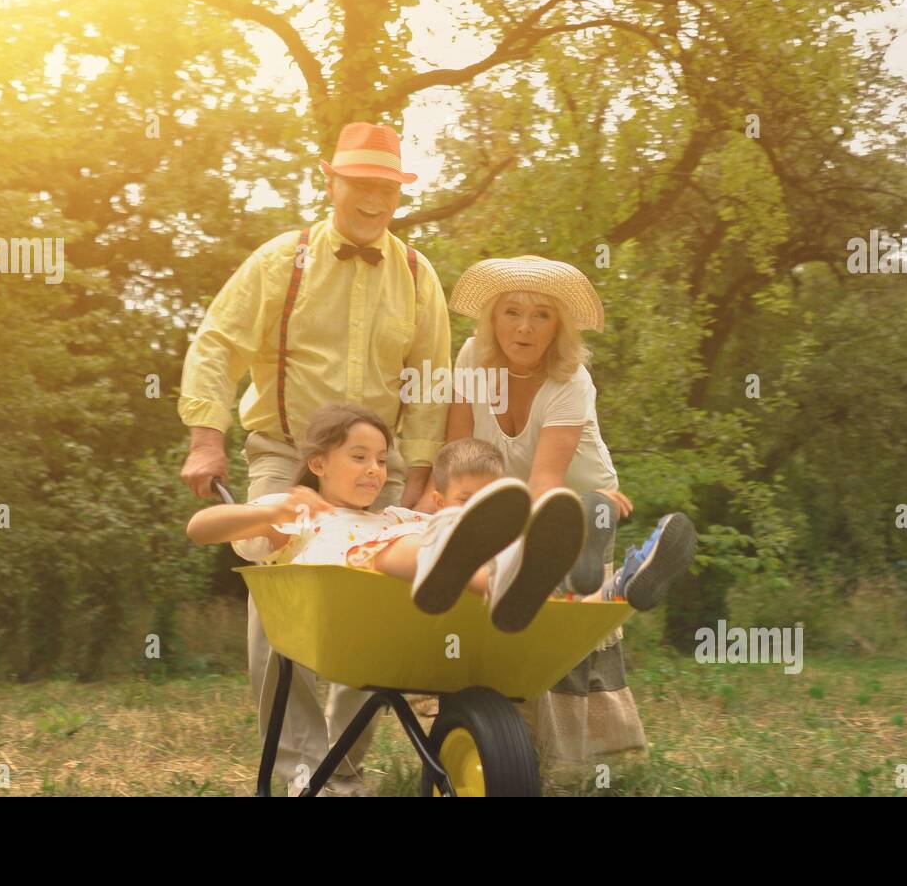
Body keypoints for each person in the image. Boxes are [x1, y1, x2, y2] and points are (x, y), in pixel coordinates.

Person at [177, 122, 450, 795]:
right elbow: (218, 343)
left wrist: (420, 473)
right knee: (282, 592)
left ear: (398, 193)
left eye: (385, 187)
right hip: (286, 453)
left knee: (371, 607)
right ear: (331, 180)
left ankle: (343, 772)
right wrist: (205, 435)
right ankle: (301, 768)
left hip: (374, 463)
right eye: (359, 183)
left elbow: (432, 378)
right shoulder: (282, 260)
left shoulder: (417, 274)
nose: (372, 199)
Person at [428, 255, 698, 764]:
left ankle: (569, 764)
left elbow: (545, 481)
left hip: (572, 502)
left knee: (559, 624)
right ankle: (511, 748)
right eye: (511, 311)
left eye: (542, 315)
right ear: (492, 318)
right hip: (494, 497)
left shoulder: (570, 380)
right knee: (511, 612)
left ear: (560, 326)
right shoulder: (470, 358)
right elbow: (457, 453)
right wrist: (443, 513)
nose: (525, 327)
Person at [186, 404, 588, 632]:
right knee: (404, 545)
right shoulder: (298, 514)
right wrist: (275, 510)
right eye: (359, 457)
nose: (375, 469)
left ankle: (535, 578)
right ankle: (470, 563)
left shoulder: (392, 517)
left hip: (410, 616)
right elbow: (199, 530)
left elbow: (465, 527)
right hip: (347, 616)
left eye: (381, 459)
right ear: (319, 464)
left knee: (436, 533)